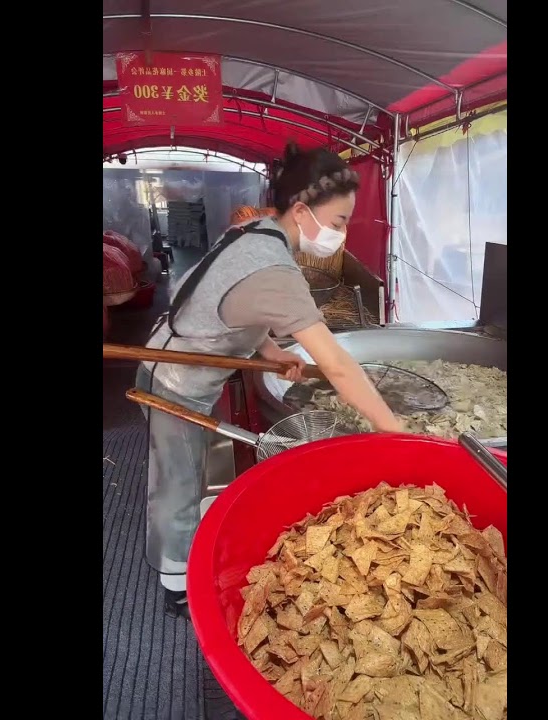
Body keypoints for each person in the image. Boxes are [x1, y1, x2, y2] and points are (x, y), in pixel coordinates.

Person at [135, 142, 403, 618]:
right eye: (339, 222)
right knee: (176, 483)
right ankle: (176, 584)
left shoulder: (255, 230)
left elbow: (225, 297)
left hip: (189, 365)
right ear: (301, 210)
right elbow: (338, 365)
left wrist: (272, 352)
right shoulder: (276, 271)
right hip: (172, 378)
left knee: (190, 472)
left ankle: (182, 558)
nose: (341, 234)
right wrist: (393, 427)